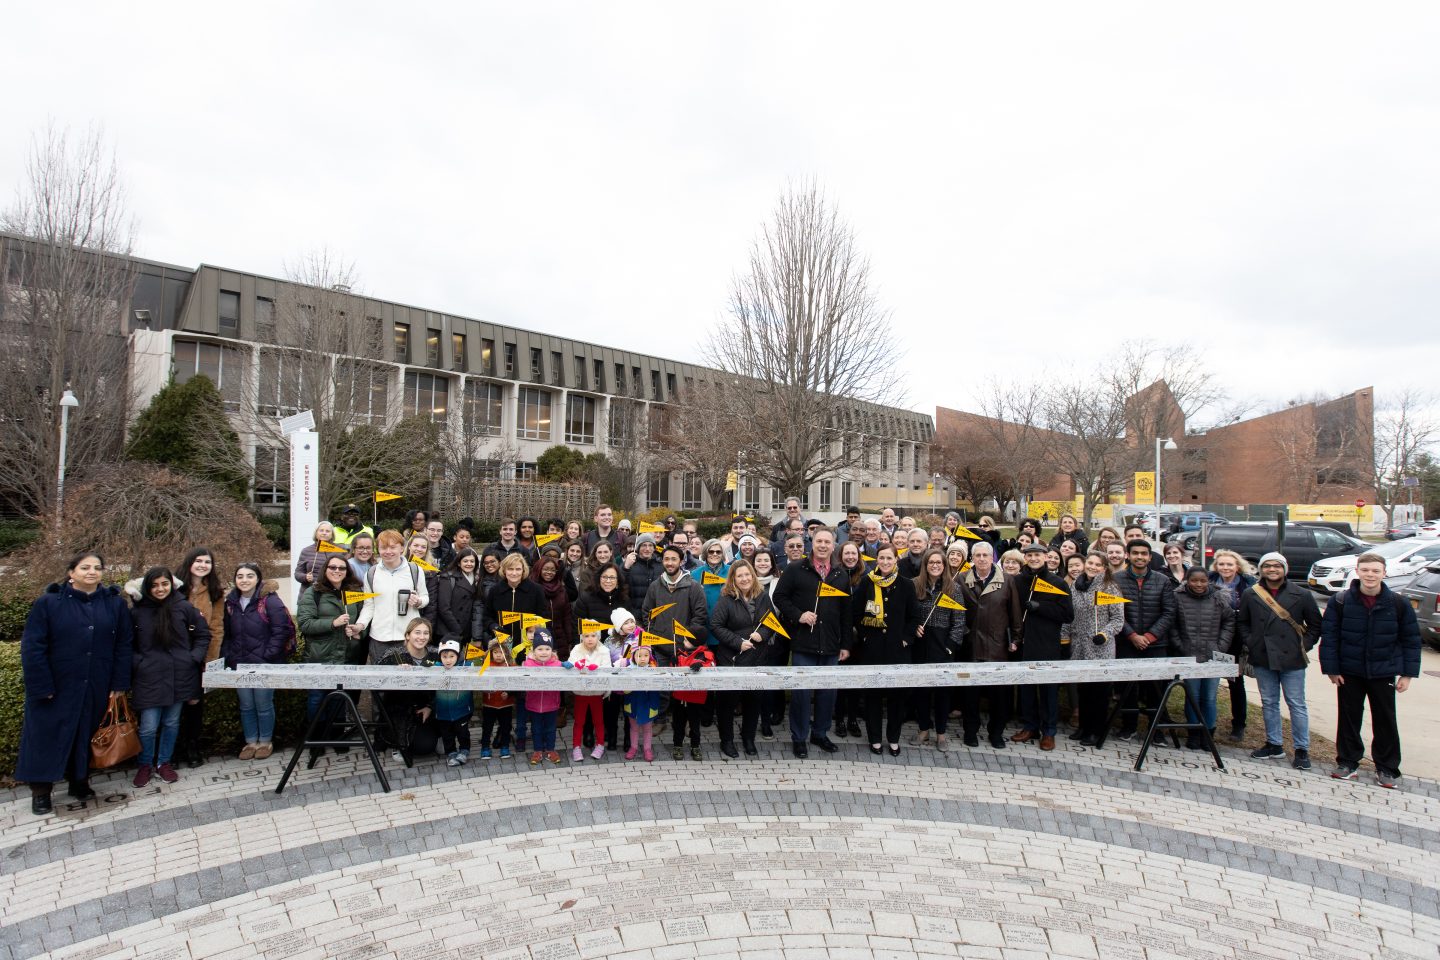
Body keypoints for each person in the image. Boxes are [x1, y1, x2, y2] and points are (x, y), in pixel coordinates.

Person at [18, 552, 134, 814]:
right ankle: (41, 791)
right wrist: (41, 685)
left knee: (86, 733)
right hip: (56, 686)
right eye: (85, 567)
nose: (92, 572)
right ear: (72, 572)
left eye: (97, 568)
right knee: (45, 737)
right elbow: (33, 646)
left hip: (96, 682)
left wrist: (118, 683)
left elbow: (124, 646)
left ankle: (79, 781)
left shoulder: (114, 605)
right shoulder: (48, 603)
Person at [1320, 552, 1422, 787]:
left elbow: (1411, 640)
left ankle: (1386, 768)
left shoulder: (1398, 603)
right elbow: (1330, 637)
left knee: (1385, 719)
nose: (1370, 575)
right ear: (1357, 571)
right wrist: (1332, 669)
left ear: (1384, 573)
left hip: (1383, 671)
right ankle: (1347, 762)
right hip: (1349, 671)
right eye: (1365, 570)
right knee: (1348, 717)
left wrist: (1407, 674)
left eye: (1375, 571)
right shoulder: (1341, 601)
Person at [125, 566, 208, 787]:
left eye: (164, 583)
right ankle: (145, 764)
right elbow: (127, 644)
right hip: (148, 677)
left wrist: (192, 658)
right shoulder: (136, 612)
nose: (160, 588)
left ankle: (164, 762)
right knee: (149, 726)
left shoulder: (183, 607)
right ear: (147, 587)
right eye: (154, 585)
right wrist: (139, 663)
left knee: (171, 722)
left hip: (180, 674)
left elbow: (202, 634)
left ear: (172, 584)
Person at [1236, 552, 1320, 770]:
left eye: (1277, 566)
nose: (1272, 570)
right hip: (1263, 656)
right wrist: (1252, 642)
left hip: (1292, 658)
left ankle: (1301, 749)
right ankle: (1274, 743)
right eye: (1267, 566)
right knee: (1269, 703)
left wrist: (1303, 645)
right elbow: (1243, 622)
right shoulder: (1251, 593)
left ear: (1284, 569)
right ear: (1261, 569)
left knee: (1296, 704)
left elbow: (1315, 625)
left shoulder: (1301, 594)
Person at [774, 527, 851, 758]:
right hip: (803, 642)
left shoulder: (840, 574)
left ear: (834, 545)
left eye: (828, 542)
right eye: (819, 541)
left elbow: (846, 613)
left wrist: (845, 644)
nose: (823, 545)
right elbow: (779, 597)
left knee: (827, 693)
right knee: (801, 694)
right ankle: (799, 737)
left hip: (830, 643)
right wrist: (798, 615)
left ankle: (820, 733)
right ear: (812, 543)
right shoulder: (796, 569)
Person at [844, 544, 921, 756]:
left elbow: (914, 616)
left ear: (896, 560)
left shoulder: (906, 584)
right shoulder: (867, 582)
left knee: (897, 697)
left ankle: (894, 738)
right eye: (881, 558)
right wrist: (866, 635)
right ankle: (875, 738)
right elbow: (856, 613)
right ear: (876, 559)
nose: (885, 562)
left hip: (898, 649)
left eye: (889, 558)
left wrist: (906, 638)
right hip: (873, 650)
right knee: (873, 697)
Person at [221, 562, 294, 760]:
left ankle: (265, 741)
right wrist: (229, 656)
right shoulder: (231, 603)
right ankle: (250, 741)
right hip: (240, 664)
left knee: (263, 703)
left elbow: (281, 631)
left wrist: (268, 655)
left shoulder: (269, 601)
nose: (244, 580)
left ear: (258, 579)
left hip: (265, 663)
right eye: (240, 576)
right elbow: (226, 633)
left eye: (250, 576)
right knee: (246, 704)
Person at [295, 554, 365, 759]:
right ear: (325, 569)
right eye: (333, 567)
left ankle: (336, 736)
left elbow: (364, 618)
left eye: (341, 568)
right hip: (320, 656)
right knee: (317, 699)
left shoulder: (353, 592)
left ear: (347, 571)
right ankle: (316, 738)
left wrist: (358, 630)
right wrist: (332, 624)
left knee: (340, 699)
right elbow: (305, 624)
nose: (337, 571)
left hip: (346, 654)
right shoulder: (313, 593)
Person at [710, 560, 779, 758]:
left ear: (753, 576)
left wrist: (763, 634)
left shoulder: (762, 597)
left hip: (757, 657)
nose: (744, 579)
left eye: (747, 574)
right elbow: (716, 626)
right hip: (732, 658)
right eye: (739, 576)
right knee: (727, 702)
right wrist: (737, 641)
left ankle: (748, 737)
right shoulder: (726, 599)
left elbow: (771, 622)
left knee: (753, 700)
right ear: (733, 579)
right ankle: (727, 740)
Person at [1009, 543, 1075, 750]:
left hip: (1047, 643)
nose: (1034, 558)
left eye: (1038, 555)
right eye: (1030, 555)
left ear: (1046, 557)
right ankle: (1030, 726)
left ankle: (1049, 731)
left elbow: (1067, 614)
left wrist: (1040, 608)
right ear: (1025, 558)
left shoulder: (1057, 582)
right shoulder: (1018, 581)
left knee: (1048, 690)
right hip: (1025, 642)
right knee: (1026, 688)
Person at [484, 553, 551, 751]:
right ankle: (502, 730)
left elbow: (544, 617)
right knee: (502, 690)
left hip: (527, 648)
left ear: (524, 571)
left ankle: (523, 730)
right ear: (504, 571)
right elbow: (486, 616)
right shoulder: (496, 590)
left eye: (518, 569)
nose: (514, 573)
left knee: (522, 691)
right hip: (502, 648)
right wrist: (494, 626)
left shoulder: (535, 590)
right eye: (510, 569)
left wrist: (536, 637)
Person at [1112, 539, 1178, 742]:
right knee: (1127, 688)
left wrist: (1148, 637)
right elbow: (1114, 611)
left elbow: (1169, 612)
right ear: (1128, 556)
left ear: (1150, 557)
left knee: (1155, 689)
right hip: (1127, 642)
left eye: (1143, 553)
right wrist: (1132, 635)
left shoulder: (1162, 580)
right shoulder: (1116, 579)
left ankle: (1155, 729)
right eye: (1135, 553)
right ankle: (1128, 726)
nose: (1139, 557)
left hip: (1155, 643)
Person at [959, 542, 1021, 748]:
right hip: (971, 645)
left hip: (998, 646)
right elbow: (957, 613)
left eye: (986, 555)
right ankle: (970, 730)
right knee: (970, 694)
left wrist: (1016, 639)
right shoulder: (961, 580)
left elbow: (1015, 614)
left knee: (999, 695)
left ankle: (996, 732)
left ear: (992, 558)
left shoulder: (1007, 581)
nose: (982, 559)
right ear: (972, 558)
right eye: (978, 555)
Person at [172, 547, 225, 768]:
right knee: (173, 705)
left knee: (194, 705)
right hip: (173, 654)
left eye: (207, 562)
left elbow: (216, 626)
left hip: (199, 656)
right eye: (198, 561)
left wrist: (210, 660)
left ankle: (192, 747)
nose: (203, 565)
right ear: (189, 562)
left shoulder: (214, 591)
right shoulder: (174, 587)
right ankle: (172, 750)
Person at [1063, 552, 1124, 746]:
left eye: (1098, 565)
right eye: (1090, 562)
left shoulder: (1110, 587)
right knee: (1084, 690)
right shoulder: (1076, 586)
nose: (1093, 567)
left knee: (1099, 692)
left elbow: (1118, 619)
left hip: (1100, 647)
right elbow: (1069, 614)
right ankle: (1083, 726)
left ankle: (1095, 731)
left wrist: (1105, 633)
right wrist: (1065, 638)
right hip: (1079, 646)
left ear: (1104, 568)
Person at [1172, 567, 1235, 749]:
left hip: (1212, 656)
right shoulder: (1178, 597)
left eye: (1202, 581)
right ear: (1187, 580)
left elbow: (1229, 621)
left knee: (1209, 697)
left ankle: (1208, 733)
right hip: (1189, 655)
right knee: (1192, 695)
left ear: (1208, 580)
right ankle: (1193, 733)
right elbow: (1172, 624)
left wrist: (1221, 645)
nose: (1198, 584)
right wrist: (1180, 645)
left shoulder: (1219, 598)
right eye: (1194, 581)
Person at [911, 549, 966, 751]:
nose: (935, 565)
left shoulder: (954, 588)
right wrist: (913, 628)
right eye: (931, 562)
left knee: (943, 692)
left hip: (943, 645)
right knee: (921, 691)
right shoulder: (915, 585)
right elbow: (909, 613)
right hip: (921, 644)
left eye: (939, 563)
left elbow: (959, 621)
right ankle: (924, 729)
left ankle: (941, 733)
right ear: (925, 565)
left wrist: (951, 646)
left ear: (944, 565)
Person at [357, 530, 428, 665]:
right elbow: (369, 605)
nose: (388, 551)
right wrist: (360, 625)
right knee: (381, 681)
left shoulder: (415, 570)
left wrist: (418, 601)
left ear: (401, 548)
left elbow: (425, 597)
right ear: (378, 549)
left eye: (393, 547)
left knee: (407, 681)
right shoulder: (371, 573)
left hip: (408, 637)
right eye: (383, 547)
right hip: (379, 637)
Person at [377, 618, 440, 765]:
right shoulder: (393, 654)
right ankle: (396, 744)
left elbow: (447, 682)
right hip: (400, 709)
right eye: (417, 632)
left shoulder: (436, 654)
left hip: (426, 708)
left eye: (426, 633)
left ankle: (440, 736)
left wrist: (430, 706)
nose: (421, 637)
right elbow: (376, 680)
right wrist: (394, 673)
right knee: (416, 745)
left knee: (427, 747)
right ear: (407, 635)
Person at [1209, 550, 1256, 740]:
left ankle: (1238, 724)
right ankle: (1208, 722)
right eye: (1221, 564)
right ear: (1216, 566)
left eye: (1229, 564)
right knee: (1209, 680)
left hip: (1237, 639)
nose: (1225, 568)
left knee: (1235, 682)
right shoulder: (1209, 581)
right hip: (1212, 635)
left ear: (1237, 566)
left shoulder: (1247, 584)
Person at [641, 544, 709, 666]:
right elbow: (647, 614)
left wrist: (688, 640)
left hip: (685, 651)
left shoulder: (694, 587)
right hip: (660, 650)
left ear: (681, 562)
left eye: (674, 559)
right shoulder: (655, 586)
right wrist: (653, 636)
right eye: (666, 559)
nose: (670, 563)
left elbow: (700, 616)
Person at [566, 625, 618, 761]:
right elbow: (571, 664)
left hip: (596, 692)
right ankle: (576, 747)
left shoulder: (604, 650)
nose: (590, 639)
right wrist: (575, 665)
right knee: (579, 721)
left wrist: (598, 668)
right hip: (581, 692)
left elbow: (607, 669)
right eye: (586, 636)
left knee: (599, 721)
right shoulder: (577, 649)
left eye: (593, 635)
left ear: (598, 637)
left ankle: (600, 745)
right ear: (582, 637)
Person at [671, 633, 716, 760]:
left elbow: (712, 665)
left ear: (695, 642)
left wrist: (702, 666)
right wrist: (672, 662)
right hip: (680, 695)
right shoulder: (679, 652)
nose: (683, 641)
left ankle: (695, 746)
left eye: (686, 639)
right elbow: (673, 672)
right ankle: (677, 745)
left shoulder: (706, 654)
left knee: (695, 725)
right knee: (678, 724)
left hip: (696, 696)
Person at [523, 630, 564, 766]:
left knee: (551, 728)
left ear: (552, 650)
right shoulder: (528, 664)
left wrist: (566, 666)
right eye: (540, 649)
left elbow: (567, 671)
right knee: (536, 728)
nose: (544, 652)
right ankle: (538, 750)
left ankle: (551, 749)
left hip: (551, 703)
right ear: (534, 651)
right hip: (534, 704)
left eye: (547, 649)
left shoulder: (557, 664)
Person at [432, 639, 474, 766]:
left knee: (463, 733)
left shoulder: (464, 666)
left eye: (451, 656)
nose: (448, 660)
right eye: (444, 657)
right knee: (447, 735)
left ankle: (464, 750)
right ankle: (451, 753)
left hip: (461, 710)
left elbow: (475, 667)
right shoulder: (436, 668)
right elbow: (422, 666)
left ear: (457, 656)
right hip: (443, 711)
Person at [479, 634, 516, 760]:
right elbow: (480, 682)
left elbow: (516, 683)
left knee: (506, 726)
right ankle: (485, 747)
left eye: (501, 652)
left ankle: (505, 746)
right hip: (489, 703)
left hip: (506, 703)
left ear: (507, 653)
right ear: (491, 653)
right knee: (487, 727)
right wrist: (486, 689)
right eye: (495, 652)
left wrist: (509, 692)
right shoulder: (486, 666)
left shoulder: (511, 666)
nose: (499, 655)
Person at [435, 548, 481, 647]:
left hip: (465, 632)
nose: (469, 564)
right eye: (465, 561)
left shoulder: (477, 579)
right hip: (448, 631)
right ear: (459, 563)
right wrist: (457, 629)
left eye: (472, 561)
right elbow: (444, 608)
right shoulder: (448, 577)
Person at [531, 555, 574, 659]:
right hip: (540, 641)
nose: (549, 572)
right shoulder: (532, 589)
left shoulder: (561, 590)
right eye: (545, 569)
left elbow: (567, 616)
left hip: (561, 640)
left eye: (552, 570)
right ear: (539, 569)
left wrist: (570, 639)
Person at [624, 644, 662, 761]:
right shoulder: (628, 670)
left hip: (648, 704)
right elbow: (625, 689)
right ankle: (633, 747)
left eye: (646, 655)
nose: (643, 658)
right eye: (639, 655)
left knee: (647, 728)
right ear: (633, 656)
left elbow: (656, 689)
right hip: (633, 703)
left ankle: (647, 749)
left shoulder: (653, 669)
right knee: (634, 728)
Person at [293, 521, 337, 591]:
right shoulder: (306, 551)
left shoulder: (339, 551)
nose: (324, 533)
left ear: (332, 534)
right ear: (316, 533)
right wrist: (305, 577)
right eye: (321, 530)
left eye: (328, 531)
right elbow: (297, 574)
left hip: (330, 593)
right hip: (309, 593)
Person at [624, 532, 663, 602]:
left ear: (654, 548)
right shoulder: (630, 564)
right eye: (644, 545)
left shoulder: (661, 565)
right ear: (638, 548)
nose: (647, 549)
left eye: (650, 545)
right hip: (635, 609)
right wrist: (625, 568)